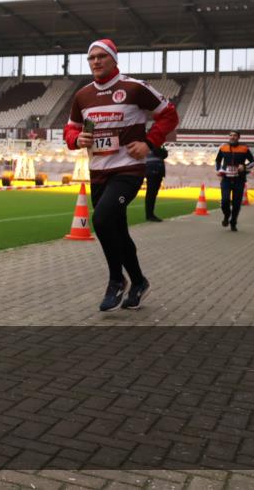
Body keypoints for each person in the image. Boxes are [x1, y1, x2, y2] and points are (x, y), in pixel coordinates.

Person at [64, 39, 178, 312]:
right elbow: (70, 129)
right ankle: (138, 282)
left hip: (128, 170)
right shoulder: (82, 96)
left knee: (101, 220)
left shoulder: (134, 88)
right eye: (91, 57)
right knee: (117, 230)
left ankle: (117, 280)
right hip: (98, 172)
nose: (96, 61)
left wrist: (149, 143)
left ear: (114, 59)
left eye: (102, 56)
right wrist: (76, 139)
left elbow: (169, 116)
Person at [214, 131, 254, 231]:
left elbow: (253, 162)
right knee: (224, 201)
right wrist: (219, 170)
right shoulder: (223, 147)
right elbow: (218, 160)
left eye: (235, 135)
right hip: (226, 179)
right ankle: (226, 216)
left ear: (238, 137)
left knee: (236, 203)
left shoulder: (244, 148)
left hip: (239, 180)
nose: (232, 137)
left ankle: (233, 222)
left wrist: (244, 166)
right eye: (231, 135)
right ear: (229, 137)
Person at [144, 144, 168, 222]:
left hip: (155, 170)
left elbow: (164, 154)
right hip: (153, 170)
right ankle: (150, 215)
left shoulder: (153, 144)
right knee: (151, 193)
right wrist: (163, 150)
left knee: (152, 193)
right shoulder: (152, 143)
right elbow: (161, 153)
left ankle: (150, 214)